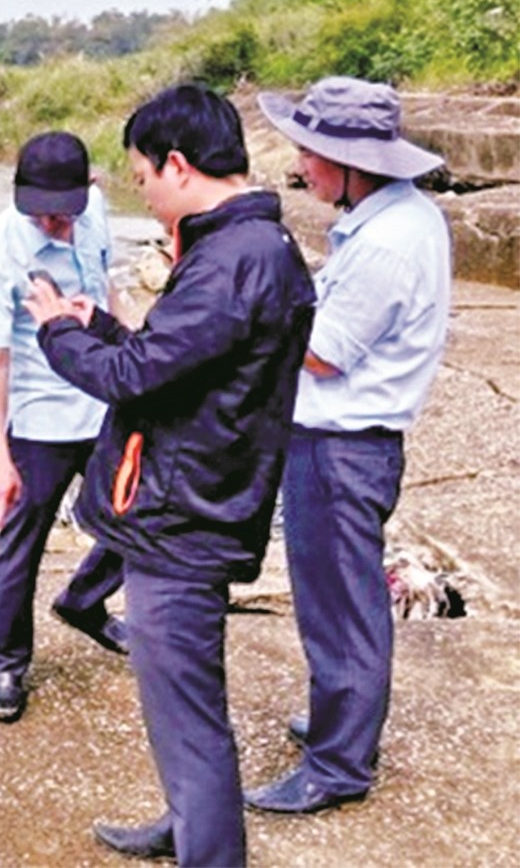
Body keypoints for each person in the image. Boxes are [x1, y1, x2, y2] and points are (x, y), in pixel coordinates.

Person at [23, 84, 316, 866]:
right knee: (179, 704)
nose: (143, 198)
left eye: (143, 179)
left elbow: (137, 377)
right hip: (195, 498)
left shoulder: (231, 262)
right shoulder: (244, 249)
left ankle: (207, 847)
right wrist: (103, 325)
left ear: (178, 165)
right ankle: (188, 822)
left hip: (186, 519)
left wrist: (58, 332)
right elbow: (181, 364)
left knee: (188, 711)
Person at [243, 77, 451, 815]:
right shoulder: (390, 218)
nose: (301, 165)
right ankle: (338, 725)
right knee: (331, 599)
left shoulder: (387, 244)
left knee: (343, 608)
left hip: (342, 446)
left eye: (311, 152)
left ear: (352, 162)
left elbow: (324, 353)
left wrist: (255, 304)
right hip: (344, 443)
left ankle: (338, 765)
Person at [0, 131, 128, 724]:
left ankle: (84, 601)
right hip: (39, 417)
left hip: (105, 394)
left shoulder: (95, 212)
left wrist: (136, 361)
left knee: (145, 512)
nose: (56, 225)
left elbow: (107, 287)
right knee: (21, 544)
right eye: (44, 215)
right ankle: (6, 662)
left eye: (67, 212)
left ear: (88, 191)